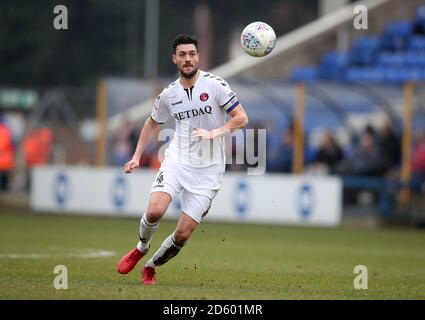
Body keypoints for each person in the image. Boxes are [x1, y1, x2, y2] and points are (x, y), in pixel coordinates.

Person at [116, 35, 249, 285]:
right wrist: (135, 156)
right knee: (155, 210)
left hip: (209, 170)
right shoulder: (169, 94)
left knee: (182, 234)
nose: (187, 58)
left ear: (198, 57)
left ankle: (150, 266)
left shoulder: (215, 85)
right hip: (178, 159)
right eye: (182, 54)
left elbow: (241, 118)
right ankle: (140, 248)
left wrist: (215, 132)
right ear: (174, 59)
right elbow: (151, 123)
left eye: (192, 53)